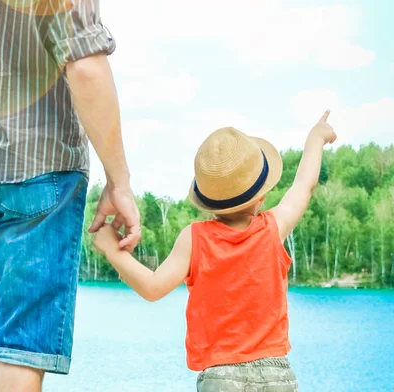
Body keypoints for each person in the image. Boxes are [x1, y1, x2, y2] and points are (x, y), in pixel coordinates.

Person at [0, 0, 141, 390]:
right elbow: (85, 68)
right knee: (17, 352)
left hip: (39, 176)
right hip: (42, 175)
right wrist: (121, 181)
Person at [94, 111, 337, 391]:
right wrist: (315, 138)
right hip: (276, 373)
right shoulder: (273, 228)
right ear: (261, 196)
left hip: (221, 377)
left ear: (207, 201)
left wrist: (114, 251)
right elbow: (304, 185)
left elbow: (153, 287)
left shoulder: (195, 238)